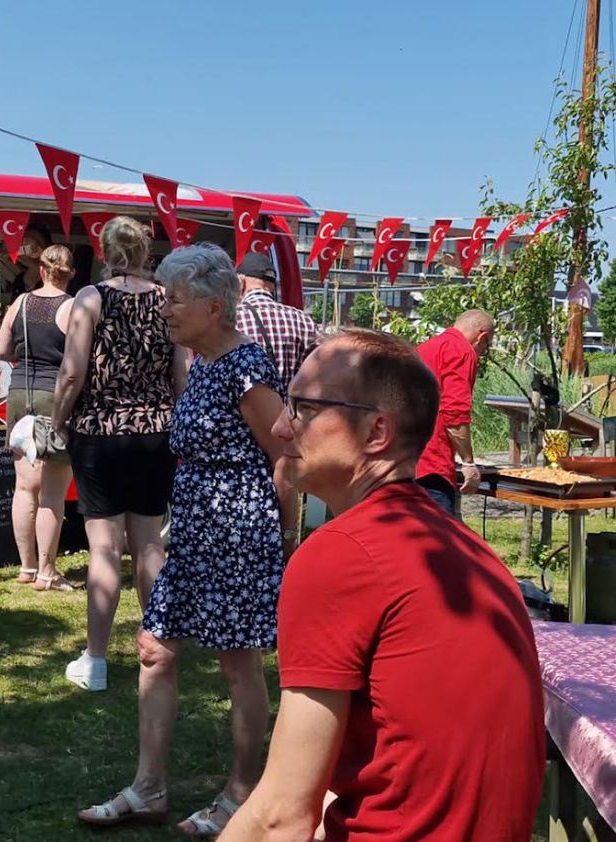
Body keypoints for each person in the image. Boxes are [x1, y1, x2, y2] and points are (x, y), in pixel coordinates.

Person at [220, 329, 545, 842]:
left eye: (302, 408)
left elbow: (283, 816)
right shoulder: (469, 551)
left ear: (375, 434)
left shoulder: (340, 554)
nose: (281, 426)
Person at [77, 243, 298, 836]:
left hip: (238, 531)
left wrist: (286, 534)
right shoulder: (200, 363)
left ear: (213, 309)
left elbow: (284, 457)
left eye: (176, 301)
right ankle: (149, 788)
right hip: (197, 529)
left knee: (238, 665)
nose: (165, 309)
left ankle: (240, 794)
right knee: (153, 649)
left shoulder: (247, 367)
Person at [53, 216, 188, 691]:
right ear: (146, 251)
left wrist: (57, 420)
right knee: (150, 545)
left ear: (105, 251)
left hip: (100, 432)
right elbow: (181, 373)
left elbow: (72, 372)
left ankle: (95, 661)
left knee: (105, 548)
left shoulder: (90, 299)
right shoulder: (165, 300)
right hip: (155, 432)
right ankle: (158, 651)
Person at [0, 244, 75, 591]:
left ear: (41, 270)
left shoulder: (20, 303)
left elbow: (1, 351)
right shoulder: (72, 307)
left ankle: (27, 567)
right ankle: (47, 572)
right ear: (70, 273)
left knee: (25, 487)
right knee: (53, 493)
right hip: (55, 398)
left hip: (19, 396)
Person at [415, 309, 494, 517]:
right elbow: (454, 412)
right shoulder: (462, 351)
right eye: (486, 348)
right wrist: (468, 462)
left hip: (406, 459)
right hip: (433, 463)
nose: (481, 352)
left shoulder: (425, 347)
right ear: (482, 337)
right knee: (440, 541)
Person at [234, 251, 317, 389]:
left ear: (240, 282)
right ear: (272, 285)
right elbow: (315, 373)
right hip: (287, 409)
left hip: (243, 409)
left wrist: (235, 299)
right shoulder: (304, 320)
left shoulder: (232, 319)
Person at [0, 227, 48, 309]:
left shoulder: (53, 275)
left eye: (36, 243)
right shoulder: (19, 279)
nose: (30, 247)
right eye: (24, 243)